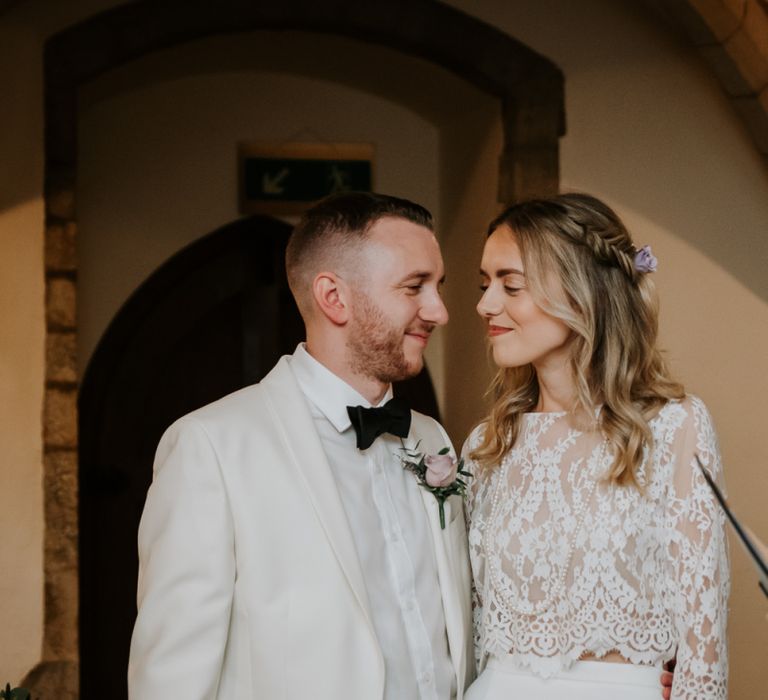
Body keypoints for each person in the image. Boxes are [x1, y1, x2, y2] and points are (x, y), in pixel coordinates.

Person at [127, 192, 474, 699]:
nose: (439, 311)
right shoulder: (212, 447)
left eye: (437, 286)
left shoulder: (430, 437)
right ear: (334, 297)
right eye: (413, 287)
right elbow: (171, 679)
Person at [462, 193, 729, 699]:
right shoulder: (486, 446)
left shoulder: (675, 428)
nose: (485, 304)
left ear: (580, 294)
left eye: (510, 284)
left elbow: (703, 643)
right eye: (485, 283)